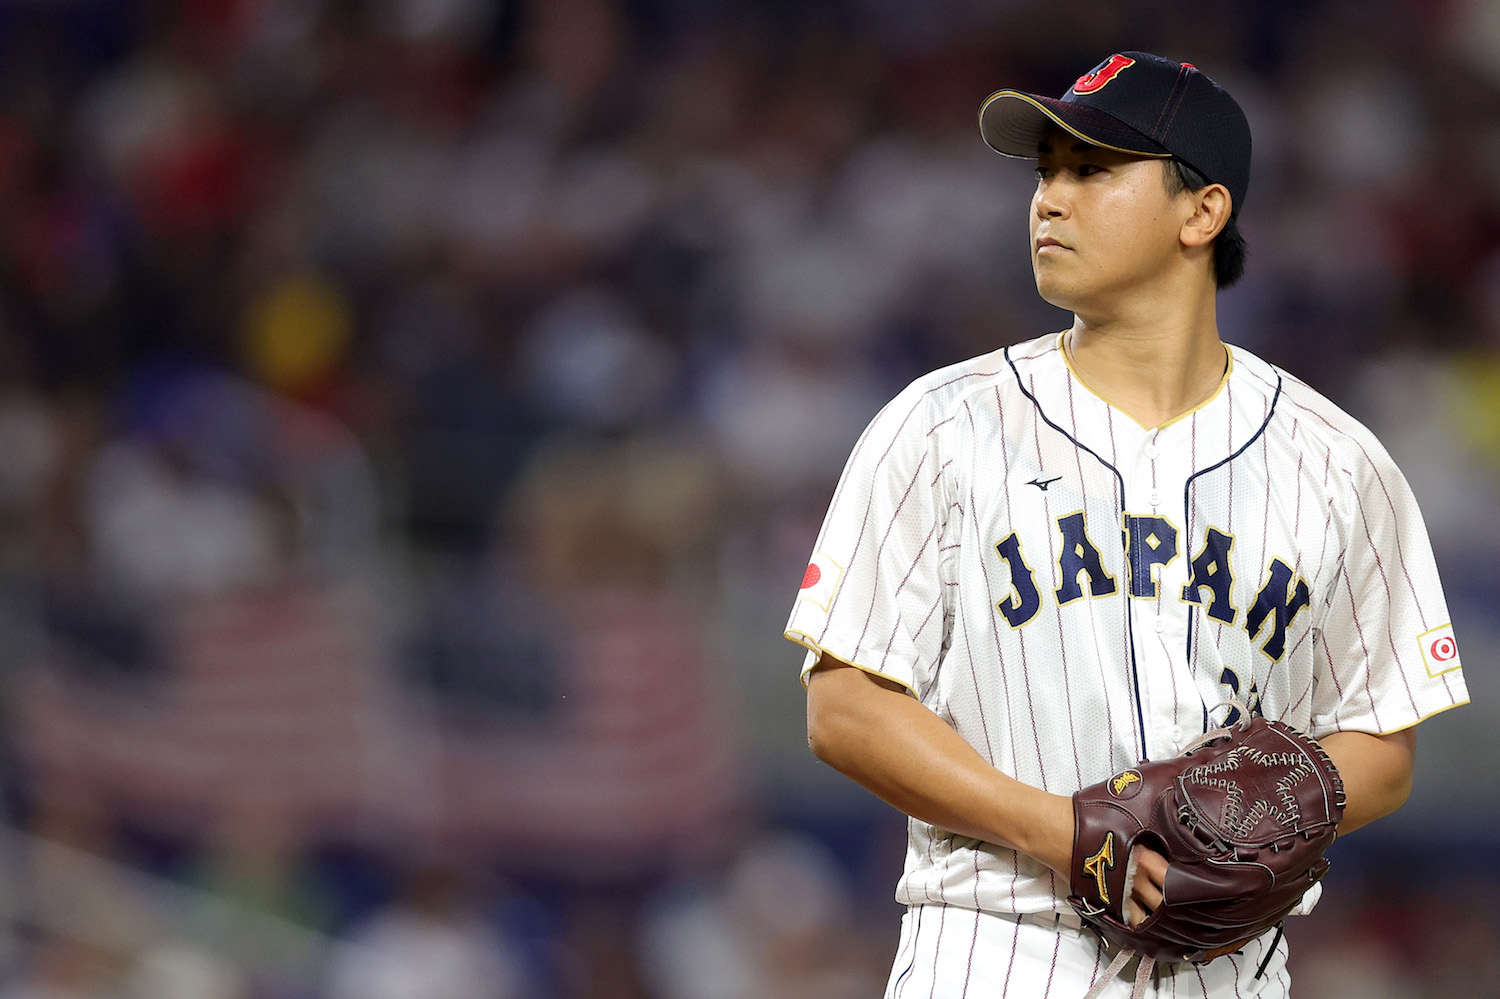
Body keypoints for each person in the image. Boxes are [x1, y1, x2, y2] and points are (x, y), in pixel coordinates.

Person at [785, 51, 1470, 998]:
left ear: (1204, 212)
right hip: (995, 951)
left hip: (1225, 969)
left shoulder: (1339, 462)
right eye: (1046, 173)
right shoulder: (940, 425)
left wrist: (1243, 825)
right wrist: (1064, 833)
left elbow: (1383, 744)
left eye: (1093, 170)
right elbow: (844, 707)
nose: (1049, 200)